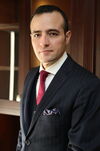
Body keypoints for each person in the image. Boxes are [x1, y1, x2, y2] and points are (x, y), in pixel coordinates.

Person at [16, 5, 100, 151]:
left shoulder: (88, 85)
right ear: (31, 38)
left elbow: (80, 148)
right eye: (37, 34)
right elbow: (24, 136)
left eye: (53, 33)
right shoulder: (30, 76)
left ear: (67, 37)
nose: (43, 42)